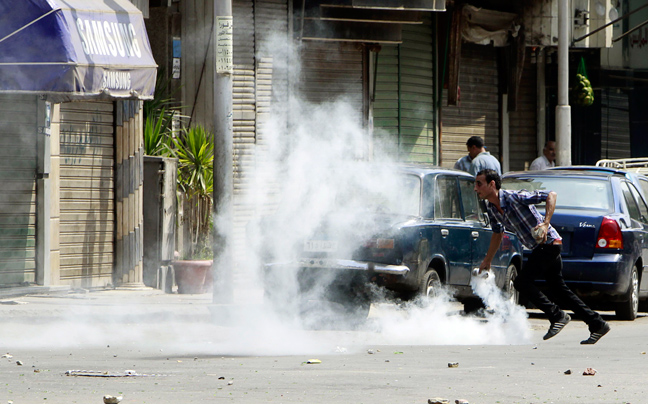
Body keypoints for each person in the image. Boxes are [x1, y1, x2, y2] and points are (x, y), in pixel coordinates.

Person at [473, 169, 610, 344]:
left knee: (522, 282)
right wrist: (487, 260)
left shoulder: (514, 197)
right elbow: (497, 234)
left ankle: (557, 315)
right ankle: (597, 324)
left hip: (549, 244)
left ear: (492, 184)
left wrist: (546, 223)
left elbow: (551, 195)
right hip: (543, 247)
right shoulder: (492, 208)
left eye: (479, 184)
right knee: (559, 289)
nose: (476, 189)